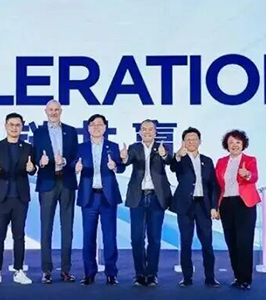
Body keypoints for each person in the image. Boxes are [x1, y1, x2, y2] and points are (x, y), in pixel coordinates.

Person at [0, 113, 37, 286]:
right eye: (11, 125)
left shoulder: (27, 147)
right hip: (0, 198)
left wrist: (31, 169)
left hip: (20, 198)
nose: (14, 128)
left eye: (18, 125)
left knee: (19, 235)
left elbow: (33, 168)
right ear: (6, 126)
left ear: (22, 127)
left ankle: (19, 270)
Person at [75, 114, 125, 286]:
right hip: (88, 197)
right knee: (88, 237)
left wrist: (116, 165)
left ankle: (111, 273)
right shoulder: (81, 147)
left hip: (108, 196)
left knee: (110, 237)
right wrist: (76, 167)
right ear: (88, 128)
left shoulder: (113, 146)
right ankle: (89, 273)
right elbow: (71, 164)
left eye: (100, 124)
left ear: (105, 127)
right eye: (93, 124)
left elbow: (121, 167)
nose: (96, 127)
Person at [120, 119, 172, 287]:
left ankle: (152, 274)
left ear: (155, 132)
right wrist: (124, 157)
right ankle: (139, 274)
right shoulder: (135, 148)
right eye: (144, 129)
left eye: (150, 129)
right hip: (138, 197)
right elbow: (127, 161)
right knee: (137, 239)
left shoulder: (162, 147)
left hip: (157, 198)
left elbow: (169, 161)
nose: (147, 132)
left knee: (154, 239)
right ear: (140, 132)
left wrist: (163, 155)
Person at [33, 100, 79, 284]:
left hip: (66, 181)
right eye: (50, 110)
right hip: (47, 182)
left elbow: (75, 155)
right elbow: (34, 156)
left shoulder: (71, 131)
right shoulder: (38, 133)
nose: (53, 113)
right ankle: (47, 270)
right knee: (46, 228)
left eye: (56, 110)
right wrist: (41, 162)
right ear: (45, 111)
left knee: (67, 228)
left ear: (61, 111)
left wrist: (66, 161)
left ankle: (66, 270)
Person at [170, 127, 220, 288]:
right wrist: (178, 156)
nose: (191, 142)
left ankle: (210, 277)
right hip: (185, 205)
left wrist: (214, 206)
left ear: (200, 141)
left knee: (207, 242)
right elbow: (173, 167)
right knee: (186, 242)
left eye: (194, 139)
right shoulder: (180, 159)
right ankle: (187, 277)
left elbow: (213, 185)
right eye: (188, 140)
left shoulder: (207, 161)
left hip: (203, 206)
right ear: (183, 142)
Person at [215, 129, 260, 291]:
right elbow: (217, 186)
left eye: (238, 142)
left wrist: (246, 174)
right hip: (226, 204)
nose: (234, 145)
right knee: (231, 241)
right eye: (231, 142)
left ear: (243, 144)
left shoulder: (250, 160)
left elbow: (254, 177)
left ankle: (246, 279)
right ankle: (237, 276)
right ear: (226, 145)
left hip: (244, 204)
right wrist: (216, 206)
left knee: (244, 242)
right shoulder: (221, 162)